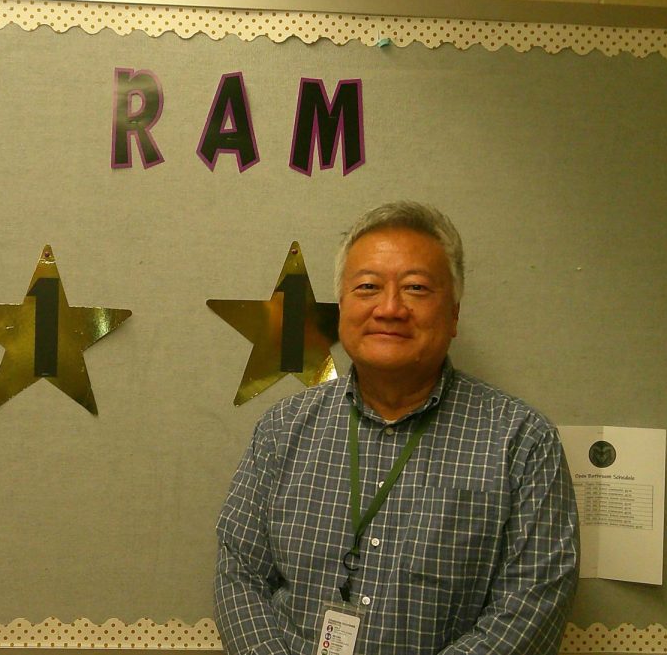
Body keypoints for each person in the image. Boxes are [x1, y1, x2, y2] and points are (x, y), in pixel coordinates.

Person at [214, 202, 578, 655]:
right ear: (342, 306)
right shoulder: (283, 429)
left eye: (416, 288)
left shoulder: (521, 441)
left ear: (454, 314)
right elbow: (239, 575)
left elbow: (531, 607)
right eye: (367, 286)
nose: (390, 308)